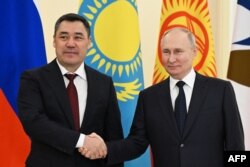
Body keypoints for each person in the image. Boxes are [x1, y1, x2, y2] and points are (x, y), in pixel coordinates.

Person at [79, 27, 245, 167]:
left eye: (178, 51)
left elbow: (236, 146)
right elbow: (136, 143)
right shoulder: (148, 97)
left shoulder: (221, 90)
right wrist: (105, 148)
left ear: (195, 52)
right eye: (166, 52)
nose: (171, 59)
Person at [17, 13, 123, 167]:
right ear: (54, 41)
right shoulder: (33, 79)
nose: (70, 44)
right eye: (64, 37)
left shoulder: (104, 83)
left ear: (89, 42)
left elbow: (114, 138)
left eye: (78, 37)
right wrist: (81, 141)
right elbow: (33, 122)